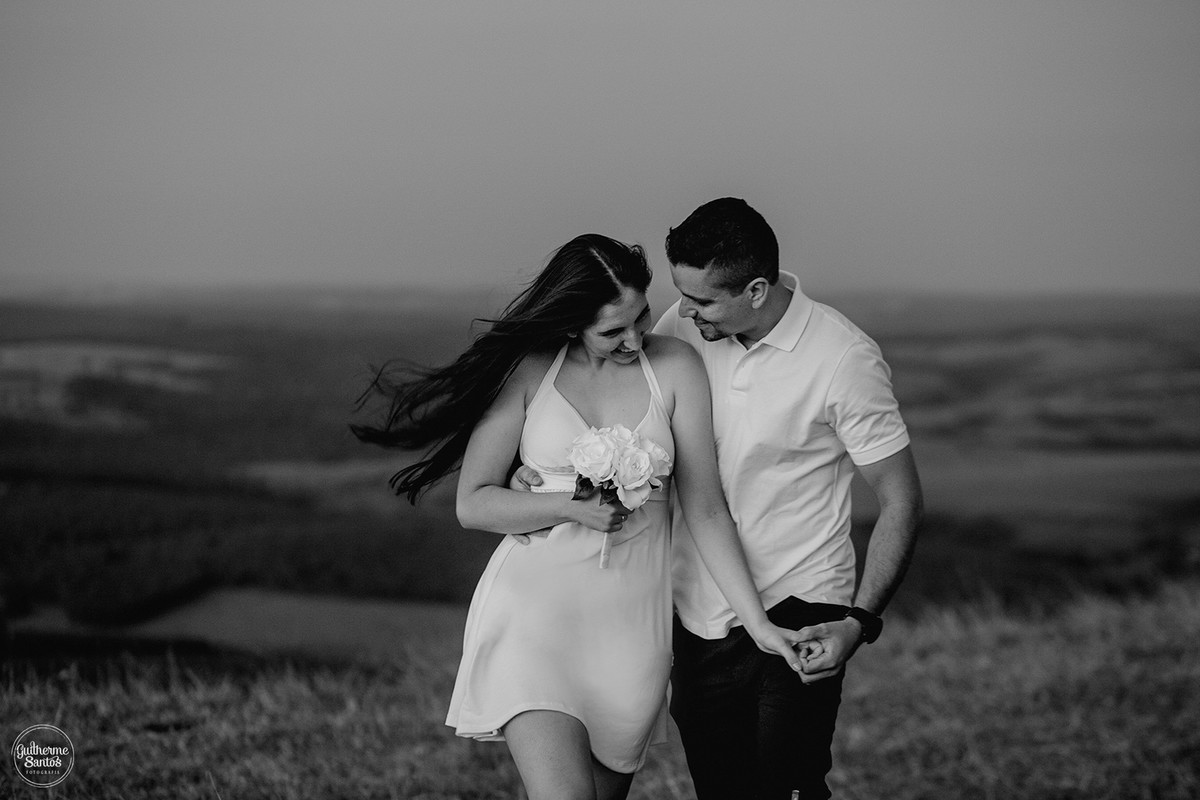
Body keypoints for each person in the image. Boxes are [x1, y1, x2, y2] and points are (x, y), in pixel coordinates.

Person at [352, 233, 813, 800]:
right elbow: (473, 502)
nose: (634, 339)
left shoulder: (676, 367)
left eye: (641, 318)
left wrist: (760, 624)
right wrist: (566, 506)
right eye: (612, 330)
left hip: (631, 635)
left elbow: (708, 510)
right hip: (535, 616)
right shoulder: (530, 373)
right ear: (571, 324)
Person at [655, 198, 924, 799]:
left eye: (703, 301)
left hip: (802, 605)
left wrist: (858, 622)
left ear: (756, 289)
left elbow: (901, 500)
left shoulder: (843, 357)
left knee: (788, 786)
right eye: (683, 295)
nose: (684, 312)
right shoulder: (677, 327)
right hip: (698, 612)